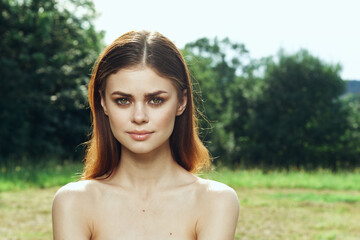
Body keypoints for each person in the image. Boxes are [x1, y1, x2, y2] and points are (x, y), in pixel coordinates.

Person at [52, 30, 239, 240]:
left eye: (156, 100)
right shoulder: (74, 202)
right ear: (103, 102)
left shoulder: (215, 201)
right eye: (123, 100)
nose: (139, 117)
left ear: (182, 101)